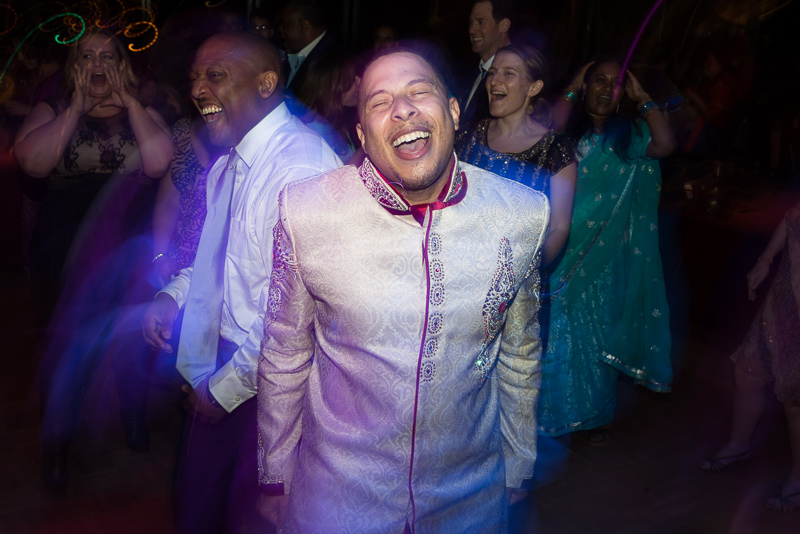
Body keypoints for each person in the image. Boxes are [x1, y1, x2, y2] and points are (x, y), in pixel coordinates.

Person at [256, 48, 549, 533]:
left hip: (470, 496)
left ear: (453, 112)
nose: (403, 109)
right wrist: (274, 475)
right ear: (363, 136)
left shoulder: (520, 214)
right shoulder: (306, 213)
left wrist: (518, 464)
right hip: (337, 496)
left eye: (419, 91)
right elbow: (284, 352)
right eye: (379, 101)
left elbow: (519, 354)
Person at [141, 32, 340, 534]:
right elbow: (218, 262)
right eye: (194, 79)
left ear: (266, 83)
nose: (199, 89)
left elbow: (296, 313)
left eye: (216, 76)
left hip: (274, 386)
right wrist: (172, 296)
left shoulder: (301, 166)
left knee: (258, 519)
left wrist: (226, 388)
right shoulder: (227, 167)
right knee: (198, 508)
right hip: (226, 364)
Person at [13, 30, 173, 493]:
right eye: (87, 56)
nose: (98, 63)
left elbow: (159, 163)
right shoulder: (52, 109)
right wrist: (76, 108)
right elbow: (35, 165)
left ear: (123, 66)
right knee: (65, 343)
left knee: (132, 335)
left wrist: (131, 103)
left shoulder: (144, 113)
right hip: (65, 245)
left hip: (126, 244)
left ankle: (132, 413)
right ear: (74, 65)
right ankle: (59, 445)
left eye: (108, 56)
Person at [538, 58, 676, 440]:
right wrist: (573, 83)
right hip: (561, 248)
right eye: (598, 80)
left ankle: (592, 415)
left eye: (616, 84)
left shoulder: (631, 136)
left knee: (597, 334)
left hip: (605, 255)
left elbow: (665, 143)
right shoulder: (565, 135)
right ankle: (551, 415)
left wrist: (644, 98)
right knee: (558, 333)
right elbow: (544, 126)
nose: (605, 88)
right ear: (586, 86)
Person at [699, 203, 800, 513]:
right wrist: (765, 260)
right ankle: (739, 445)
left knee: (795, 398)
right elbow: (791, 217)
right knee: (748, 372)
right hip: (785, 296)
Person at [456, 44, 576, 265]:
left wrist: (525, 275)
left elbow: (559, 228)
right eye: (492, 72)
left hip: (517, 284)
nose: (494, 80)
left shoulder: (555, 149)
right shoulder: (468, 136)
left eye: (508, 73)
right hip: (460, 268)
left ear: (533, 88)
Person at [459, 0, 512, 128]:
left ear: (504, 25)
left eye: (481, 22)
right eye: (471, 23)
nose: (472, 30)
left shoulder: (516, 75)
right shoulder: (470, 69)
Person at [279, 0, 337, 95]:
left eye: (286, 23)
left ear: (304, 25)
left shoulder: (333, 62)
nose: (280, 28)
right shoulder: (292, 55)